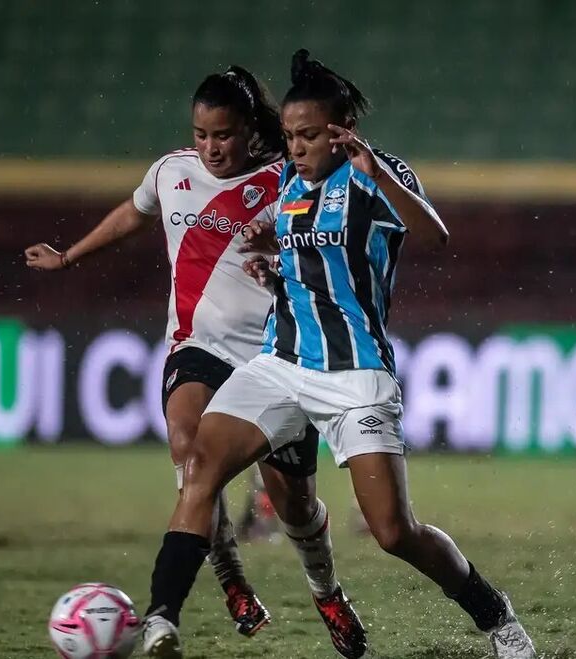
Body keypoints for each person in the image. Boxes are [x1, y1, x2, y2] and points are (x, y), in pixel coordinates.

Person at [140, 50, 537, 659]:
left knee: (393, 532)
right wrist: (271, 258)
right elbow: (307, 258)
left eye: (307, 136)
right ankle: (161, 622)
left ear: (341, 129)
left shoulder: (373, 176)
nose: (294, 147)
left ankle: (496, 615)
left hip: (354, 374)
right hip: (280, 364)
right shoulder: (290, 183)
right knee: (199, 465)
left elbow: (435, 236)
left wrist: (376, 171)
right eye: (290, 135)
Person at [24, 66, 365, 652]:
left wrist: (280, 255)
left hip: (275, 356)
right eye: (201, 135)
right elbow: (134, 212)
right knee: (189, 455)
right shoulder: (171, 172)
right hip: (197, 347)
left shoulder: (286, 178)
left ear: (248, 131)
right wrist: (69, 257)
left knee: (297, 507)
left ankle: (326, 590)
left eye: (224, 136)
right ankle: (227, 583)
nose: (210, 148)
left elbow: (322, 240)